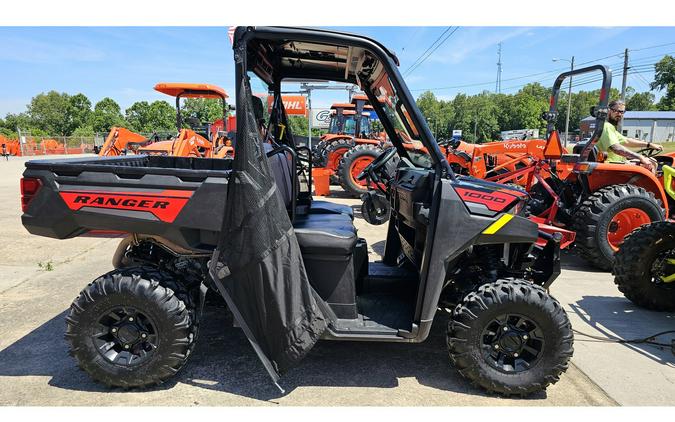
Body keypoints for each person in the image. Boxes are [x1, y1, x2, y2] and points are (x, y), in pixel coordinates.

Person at [597, 99, 662, 172]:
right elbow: (616, 148)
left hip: (616, 163)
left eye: (622, 112)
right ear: (609, 110)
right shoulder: (606, 126)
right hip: (611, 166)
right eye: (617, 111)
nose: (620, 114)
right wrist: (640, 157)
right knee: (651, 163)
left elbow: (627, 141)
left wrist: (649, 144)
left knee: (650, 160)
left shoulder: (611, 128)